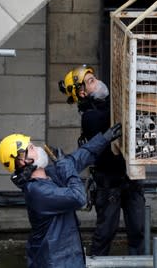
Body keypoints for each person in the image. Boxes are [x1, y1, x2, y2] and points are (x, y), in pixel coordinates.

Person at [0, 123, 122, 268]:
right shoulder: (37, 192)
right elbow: (78, 197)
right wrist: (64, 164)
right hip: (55, 261)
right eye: (30, 148)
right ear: (21, 161)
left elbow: (77, 159)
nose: (37, 148)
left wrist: (104, 138)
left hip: (66, 256)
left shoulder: (47, 174)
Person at [59, 65, 145, 256]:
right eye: (90, 82)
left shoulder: (111, 102)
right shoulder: (90, 117)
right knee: (105, 233)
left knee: (138, 230)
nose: (97, 82)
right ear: (82, 93)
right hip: (109, 183)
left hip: (131, 178)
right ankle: (97, 261)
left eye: (94, 78)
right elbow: (113, 118)